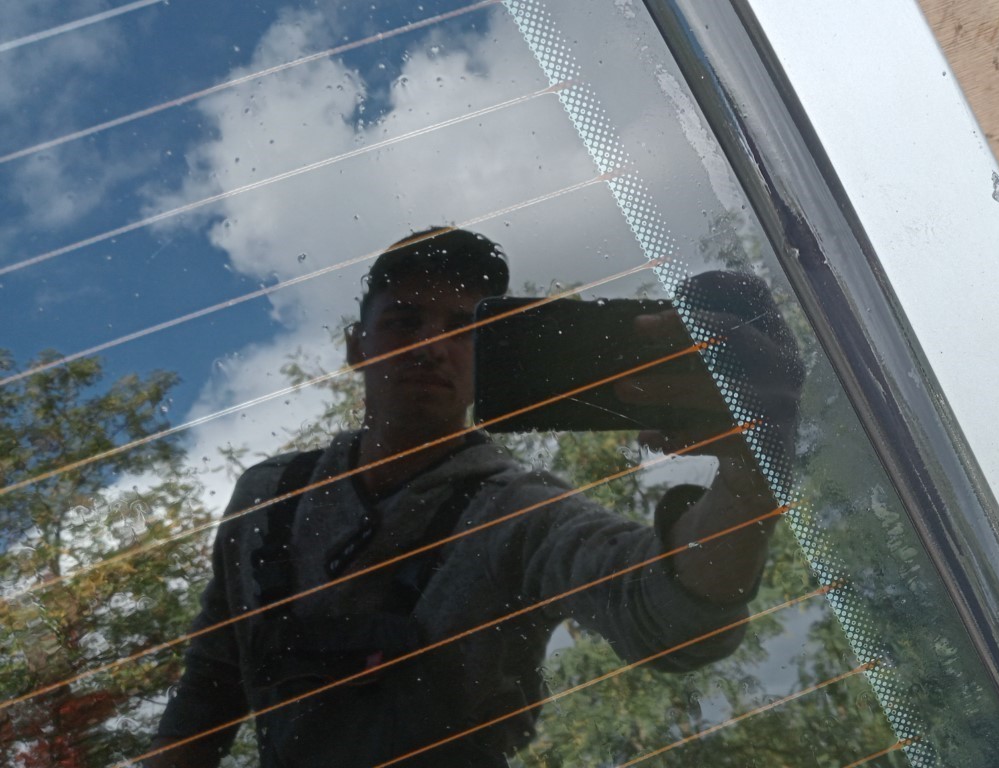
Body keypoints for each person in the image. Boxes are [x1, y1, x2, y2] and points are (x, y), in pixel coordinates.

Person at [149, 228, 802, 767]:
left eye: (463, 328)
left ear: (487, 353)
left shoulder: (518, 511)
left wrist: (751, 475)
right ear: (356, 345)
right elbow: (209, 687)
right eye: (403, 321)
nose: (432, 345)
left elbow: (667, 618)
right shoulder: (267, 496)